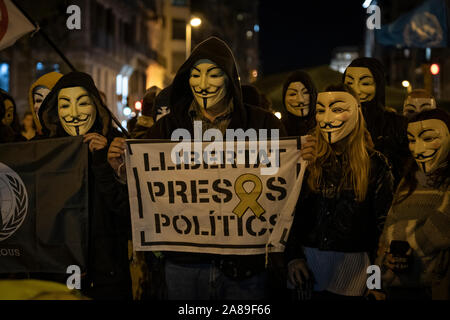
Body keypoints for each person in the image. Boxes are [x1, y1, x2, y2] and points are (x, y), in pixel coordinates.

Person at [105, 37, 317, 300]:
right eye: (196, 74)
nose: (203, 85)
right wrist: (122, 171)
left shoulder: (262, 125)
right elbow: (145, 193)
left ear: (229, 78)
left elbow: (284, 193)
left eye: (213, 74)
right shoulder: (166, 129)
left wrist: (305, 165)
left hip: (245, 269)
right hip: (185, 265)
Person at [286, 84, 394, 299]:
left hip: (355, 278)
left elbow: (384, 229)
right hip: (305, 275)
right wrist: (292, 257)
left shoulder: (375, 165)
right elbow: (286, 213)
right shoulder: (306, 160)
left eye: (337, 109)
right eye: (320, 110)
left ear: (357, 112)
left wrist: (376, 283)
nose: (326, 118)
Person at [38, 71, 132, 300]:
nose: (74, 114)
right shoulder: (42, 152)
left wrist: (104, 165)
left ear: (96, 107)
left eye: (82, 103)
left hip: (107, 277)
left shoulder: (116, 148)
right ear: (55, 112)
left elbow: (128, 216)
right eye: (65, 105)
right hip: (57, 276)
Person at [375, 109, 450, 300]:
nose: (417, 149)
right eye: (412, 140)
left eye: (428, 138)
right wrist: (373, 284)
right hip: (396, 291)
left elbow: (437, 232)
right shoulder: (408, 180)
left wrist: (400, 247)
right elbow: (384, 239)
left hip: (433, 290)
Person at [343, 57, 410, 188]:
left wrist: (376, 153)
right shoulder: (333, 123)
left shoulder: (396, 124)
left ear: (378, 85)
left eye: (365, 83)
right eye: (349, 83)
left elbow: (405, 169)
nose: (356, 90)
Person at [281, 70, 317, 137]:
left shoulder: (325, 127)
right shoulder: (275, 130)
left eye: (305, 92)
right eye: (293, 94)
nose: (301, 100)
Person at [28, 71, 63, 136]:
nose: (43, 106)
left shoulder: (79, 141)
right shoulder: (31, 144)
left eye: (49, 100)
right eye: (38, 100)